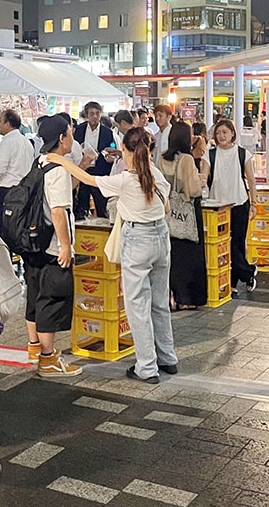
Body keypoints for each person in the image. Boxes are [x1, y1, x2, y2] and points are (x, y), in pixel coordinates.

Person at [46, 127, 178, 383]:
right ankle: (167, 358)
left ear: (126, 151)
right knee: (159, 303)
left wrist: (62, 160)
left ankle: (147, 367)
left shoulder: (126, 179)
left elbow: (88, 180)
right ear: (149, 150)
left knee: (137, 305)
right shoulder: (156, 174)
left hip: (137, 241)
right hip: (161, 239)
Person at [21, 115, 81, 377]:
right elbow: (58, 211)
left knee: (34, 294)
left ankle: (35, 347)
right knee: (51, 299)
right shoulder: (58, 169)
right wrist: (65, 246)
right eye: (69, 133)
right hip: (52, 245)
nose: (72, 137)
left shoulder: (41, 162)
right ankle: (48, 360)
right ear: (61, 138)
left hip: (34, 242)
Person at [201, 119, 258, 293]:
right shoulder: (209, 154)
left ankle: (234, 281)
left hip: (240, 202)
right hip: (217, 205)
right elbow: (204, 176)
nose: (221, 136)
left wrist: (254, 203)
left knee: (238, 243)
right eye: (218, 133)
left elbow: (251, 179)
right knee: (222, 244)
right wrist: (201, 183)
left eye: (225, 132)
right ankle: (248, 272)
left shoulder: (243, 154)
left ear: (232, 133)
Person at [159, 122, 207, 310]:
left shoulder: (162, 158)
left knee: (170, 257)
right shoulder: (187, 159)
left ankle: (170, 294)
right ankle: (186, 298)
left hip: (166, 211)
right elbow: (193, 189)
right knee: (189, 257)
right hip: (186, 214)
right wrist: (200, 182)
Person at [0, 109, 33, 234]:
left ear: (8, 124)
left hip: (7, 190)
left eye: (0, 122)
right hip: (24, 190)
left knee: (4, 228)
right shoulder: (26, 141)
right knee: (19, 227)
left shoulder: (7, 141)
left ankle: (5, 253)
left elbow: (0, 167)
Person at [73, 101, 117, 220]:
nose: (95, 117)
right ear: (86, 116)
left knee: (100, 203)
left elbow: (112, 149)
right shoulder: (79, 130)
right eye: (91, 114)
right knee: (82, 201)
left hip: (100, 171)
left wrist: (107, 155)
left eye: (97, 113)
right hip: (83, 169)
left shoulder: (107, 132)